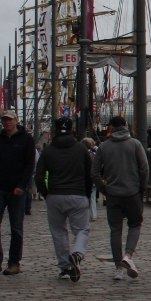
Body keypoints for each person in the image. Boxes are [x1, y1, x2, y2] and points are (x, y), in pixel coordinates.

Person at [0, 110, 36, 276]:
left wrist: (22, 185)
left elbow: (29, 165)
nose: (7, 123)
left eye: (10, 120)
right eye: (4, 120)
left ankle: (14, 262)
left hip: (17, 190)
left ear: (16, 121)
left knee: (16, 227)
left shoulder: (26, 140)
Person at [35, 117, 92, 282]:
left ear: (55, 130)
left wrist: (46, 193)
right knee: (81, 229)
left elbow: (39, 176)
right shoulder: (81, 149)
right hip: (78, 194)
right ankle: (77, 253)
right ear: (72, 130)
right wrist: (87, 194)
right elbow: (89, 175)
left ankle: (65, 266)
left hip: (55, 194)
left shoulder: (48, 150)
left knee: (59, 232)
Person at [91, 116, 148, 281]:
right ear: (125, 126)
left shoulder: (104, 146)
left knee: (115, 230)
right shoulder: (135, 144)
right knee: (135, 224)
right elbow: (144, 169)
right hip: (132, 192)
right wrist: (141, 188)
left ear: (111, 128)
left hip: (113, 194)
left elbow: (94, 173)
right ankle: (128, 255)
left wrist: (104, 188)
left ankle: (118, 268)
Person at [81, 138, 99, 219]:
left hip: (84, 178)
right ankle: (93, 215)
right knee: (93, 196)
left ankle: (84, 214)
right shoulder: (95, 154)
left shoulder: (82, 154)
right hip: (94, 178)